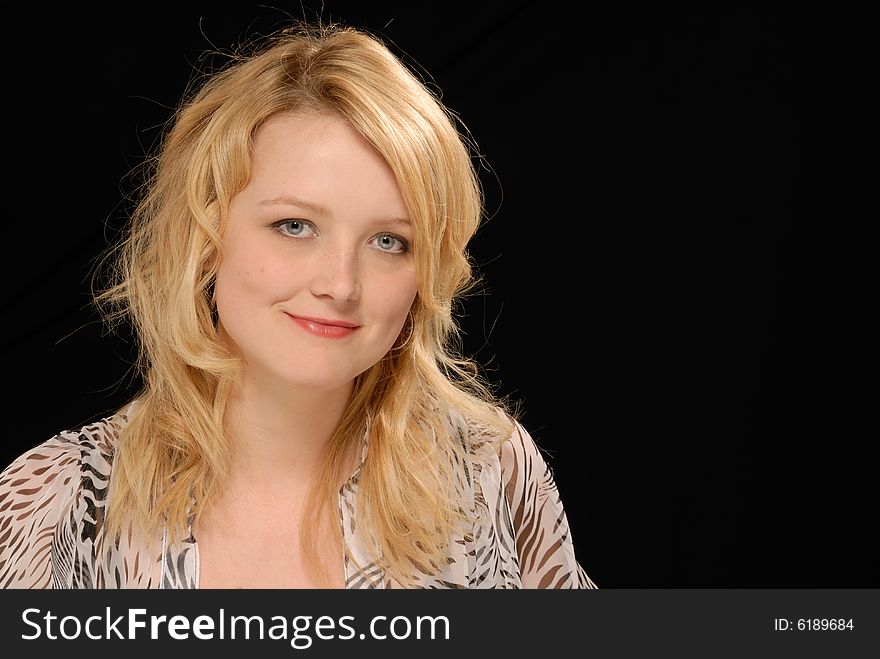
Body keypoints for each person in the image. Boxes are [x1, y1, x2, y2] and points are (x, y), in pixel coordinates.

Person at [0, 19, 595, 589]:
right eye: (295, 226)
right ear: (205, 239)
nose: (341, 284)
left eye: (389, 241)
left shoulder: (490, 470)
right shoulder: (55, 501)